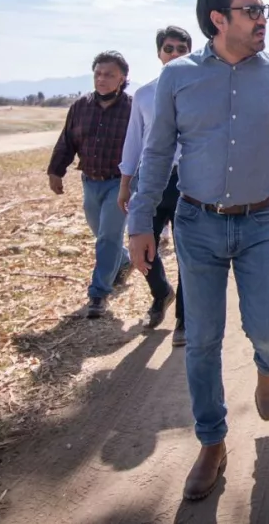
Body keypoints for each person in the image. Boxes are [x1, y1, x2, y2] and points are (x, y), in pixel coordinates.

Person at [126, 0, 269, 501]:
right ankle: (212, 442)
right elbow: (156, 155)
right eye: (251, 10)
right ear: (218, 19)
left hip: (261, 223)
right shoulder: (178, 78)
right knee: (201, 340)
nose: (262, 17)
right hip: (196, 224)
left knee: (266, 329)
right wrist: (139, 223)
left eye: (265, 8)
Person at [118, 25, 193, 345]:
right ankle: (161, 292)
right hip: (150, 181)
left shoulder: (202, 93)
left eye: (181, 49)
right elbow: (134, 141)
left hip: (190, 180)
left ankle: (185, 321)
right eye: (168, 48)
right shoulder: (145, 95)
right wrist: (125, 184)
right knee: (142, 248)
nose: (174, 54)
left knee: (189, 253)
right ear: (159, 53)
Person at [47, 51, 133, 319]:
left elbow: (144, 147)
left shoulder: (132, 108)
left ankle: (98, 293)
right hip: (90, 182)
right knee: (102, 234)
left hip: (119, 183)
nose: (102, 79)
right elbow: (67, 141)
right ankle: (125, 261)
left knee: (108, 236)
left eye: (109, 74)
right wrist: (56, 171)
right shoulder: (80, 106)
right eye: (98, 73)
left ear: (122, 78)